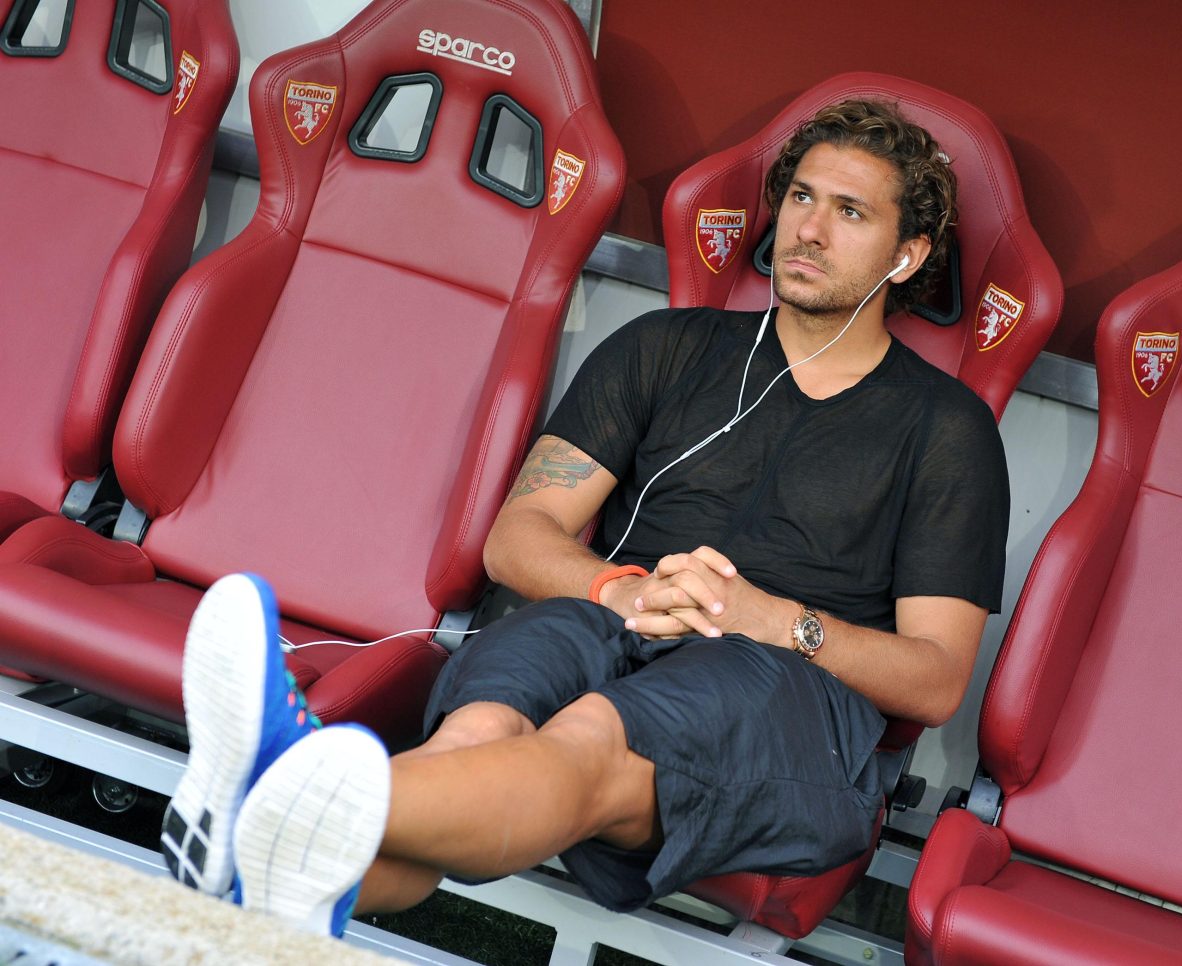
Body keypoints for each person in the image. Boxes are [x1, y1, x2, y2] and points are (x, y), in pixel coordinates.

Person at [160, 98, 1009, 937]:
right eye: (801, 198)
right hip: (611, 618)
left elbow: (936, 678)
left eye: (850, 212)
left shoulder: (946, 430)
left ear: (907, 255)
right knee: (480, 727)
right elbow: (517, 537)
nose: (810, 230)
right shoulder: (665, 346)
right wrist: (619, 591)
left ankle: (286, 790)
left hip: (782, 690)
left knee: (591, 735)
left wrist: (775, 621)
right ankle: (270, 861)